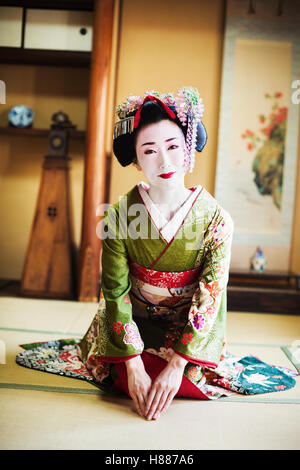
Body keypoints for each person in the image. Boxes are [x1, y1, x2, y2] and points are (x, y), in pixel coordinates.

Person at [16, 87, 297, 420]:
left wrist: (178, 363)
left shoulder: (217, 219)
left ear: (188, 148)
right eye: (149, 151)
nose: (164, 161)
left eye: (173, 147)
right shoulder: (120, 215)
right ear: (135, 160)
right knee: (124, 377)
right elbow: (115, 292)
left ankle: (176, 363)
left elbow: (210, 298)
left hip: (187, 330)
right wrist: (132, 363)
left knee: (187, 382)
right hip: (134, 324)